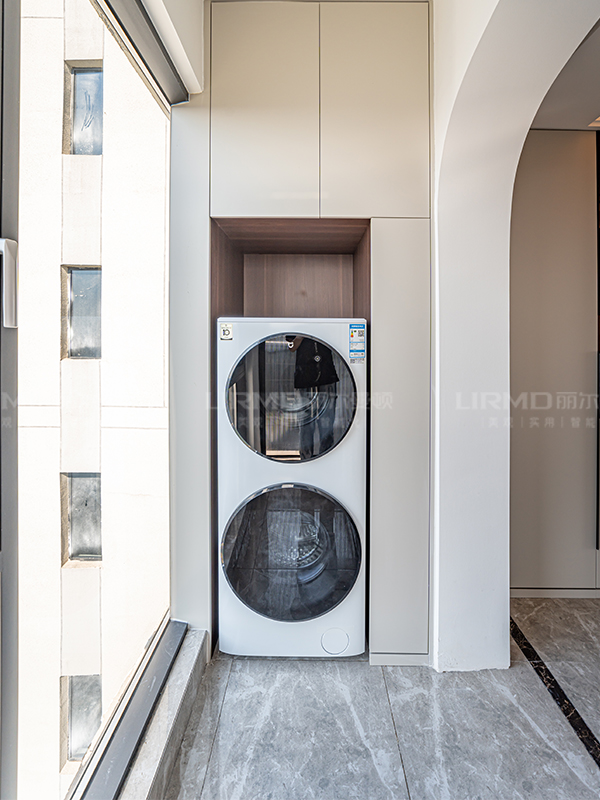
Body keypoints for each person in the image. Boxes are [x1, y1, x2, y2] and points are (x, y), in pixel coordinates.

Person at [288, 336, 339, 459]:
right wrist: (300, 336)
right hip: (305, 376)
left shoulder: (327, 325)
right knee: (306, 424)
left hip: (326, 375)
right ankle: (306, 458)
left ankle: (327, 457)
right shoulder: (296, 326)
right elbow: (291, 347)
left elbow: (339, 342)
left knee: (327, 422)